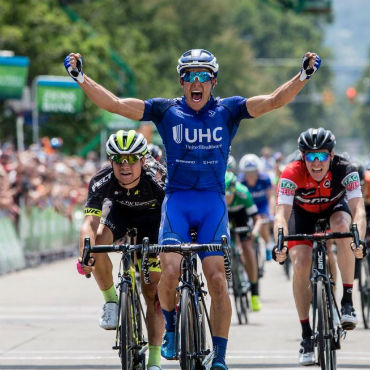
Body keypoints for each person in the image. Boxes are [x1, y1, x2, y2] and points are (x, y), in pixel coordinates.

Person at [65, 48, 321, 370]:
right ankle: (171, 328)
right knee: (168, 272)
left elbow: (272, 100)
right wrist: (80, 78)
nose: (196, 82)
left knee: (216, 280)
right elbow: (116, 104)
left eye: (203, 76)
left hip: (212, 203)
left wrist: (302, 76)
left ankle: (221, 356)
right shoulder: (165, 110)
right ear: (182, 81)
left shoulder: (229, 110)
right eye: (189, 76)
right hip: (178, 201)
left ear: (213, 81)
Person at [273, 127, 366, 366]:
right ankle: (306, 335)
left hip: (334, 209)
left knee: (344, 228)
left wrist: (359, 240)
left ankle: (347, 301)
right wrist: (279, 243)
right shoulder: (291, 172)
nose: (316, 162)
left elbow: (359, 210)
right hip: (302, 213)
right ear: (302, 157)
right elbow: (281, 214)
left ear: (331, 156)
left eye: (322, 156)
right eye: (310, 156)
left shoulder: (346, 169)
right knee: (301, 262)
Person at [77, 129, 166, 370]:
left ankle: (155, 359)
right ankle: (111, 302)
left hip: (152, 221)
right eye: (118, 159)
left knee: (152, 293)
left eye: (131, 159)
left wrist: (165, 250)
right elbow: (89, 222)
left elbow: (172, 217)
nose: (124, 165)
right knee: (97, 242)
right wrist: (85, 252)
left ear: (142, 160)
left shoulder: (157, 179)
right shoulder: (101, 179)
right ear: (110, 161)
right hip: (120, 214)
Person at [225, 171, 261, 311]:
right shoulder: (218, 195)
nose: (227, 198)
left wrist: (255, 231)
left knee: (247, 248)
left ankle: (254, 293)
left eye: (229, 194)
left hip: (242, 217)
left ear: (234, 190)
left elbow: (256, 218)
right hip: (226, 217)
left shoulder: (243, 193)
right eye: (225, 195)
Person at [238, 153, 275, 261]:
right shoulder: (240, 181)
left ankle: (268, 245)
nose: (250, 175)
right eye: (248, 172)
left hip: (262, 205)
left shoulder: (265, 179)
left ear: (258, 171)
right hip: (248, 206)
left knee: (263, 225)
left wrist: (271, 213)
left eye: (253, 172)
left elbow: (270, 197)